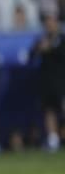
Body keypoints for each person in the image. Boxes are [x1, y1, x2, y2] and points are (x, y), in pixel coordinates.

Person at [30, 14, 65, 152]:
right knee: (49, 110)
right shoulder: (41, 40)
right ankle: (53, 139)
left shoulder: (62, 39)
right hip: (47, 82)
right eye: (47, 22)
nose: (49, 25)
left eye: (52, 22)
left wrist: (50, 48)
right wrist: (40, 48)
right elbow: (31, 55)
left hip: (62, 80)